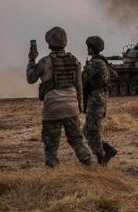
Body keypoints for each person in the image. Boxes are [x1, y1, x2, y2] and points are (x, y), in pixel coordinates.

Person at [27, 26, 92, 167]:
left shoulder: (45, 61)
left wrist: (31, 60)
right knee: (77, 140)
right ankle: (89, 164)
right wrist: (80, 106)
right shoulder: (74, 61)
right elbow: (79, 85)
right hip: (71, 107)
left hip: (52, 108)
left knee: (51, 146)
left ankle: (52, 172)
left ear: (49, 43)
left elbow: (31, 78)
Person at [82, 36, 117, 165]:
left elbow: (83, 78)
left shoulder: (96, 62)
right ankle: (106, 151)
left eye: (89, 47)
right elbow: (114, 75)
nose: (87, 49)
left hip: (96, 100)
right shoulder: (102, 61)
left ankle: (102, 155)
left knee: (91, 130)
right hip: (99, 99)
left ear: (92, 48)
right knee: (88, 129)